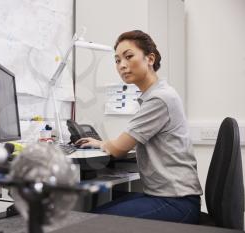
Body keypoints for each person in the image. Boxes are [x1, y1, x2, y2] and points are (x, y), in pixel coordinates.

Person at [75, 30, 203, 224]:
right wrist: (102, 143)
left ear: (150, 58)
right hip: (165, 196)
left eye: (128, 57)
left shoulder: (159, 98)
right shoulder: (157, 94)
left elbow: (118, 148)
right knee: (93, 212)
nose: (122, 65)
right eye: (117, 60)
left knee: (92, 222)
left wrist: (102, 144)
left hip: (177, 202)